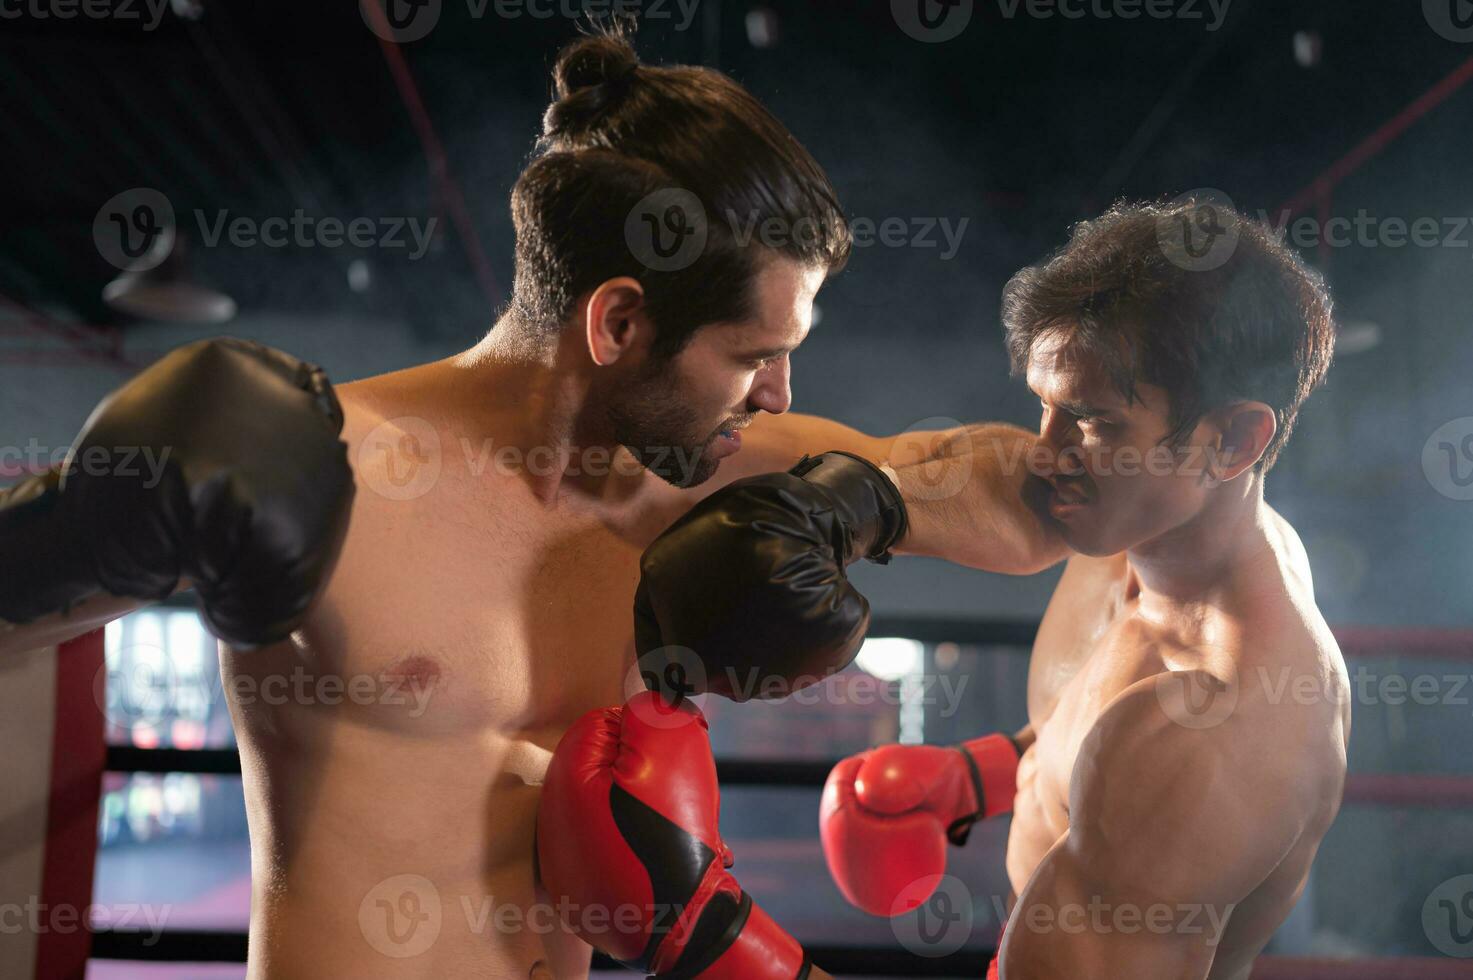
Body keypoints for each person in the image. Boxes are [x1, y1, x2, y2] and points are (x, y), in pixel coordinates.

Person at [0, 27, 1064, 979]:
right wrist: (62, 535)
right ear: (618, 323)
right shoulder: (337, 472)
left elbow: (1023, 506)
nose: (784, 394)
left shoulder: (707, 469)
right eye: (755, 355)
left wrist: (1176, 417)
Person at [820, 199, 1349, 979]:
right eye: (1044, 406)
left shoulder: (1210, 732)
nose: (1044, 452)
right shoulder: (1145, 533)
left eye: (1091, 421)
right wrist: (975, 775)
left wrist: (713, 944)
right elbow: (1093, 722)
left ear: (1232, 440)